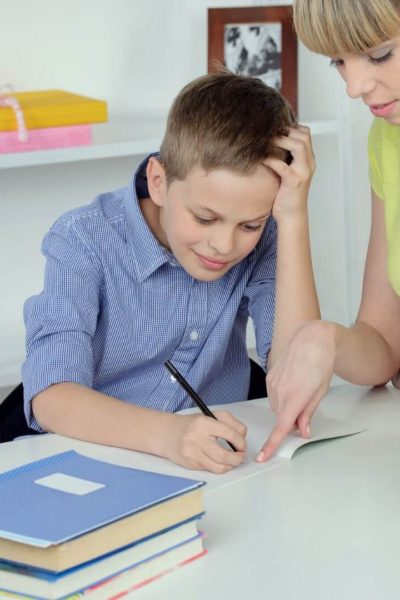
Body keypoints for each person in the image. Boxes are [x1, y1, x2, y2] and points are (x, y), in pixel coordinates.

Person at [22, 71, 317, 472]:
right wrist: (169, 435)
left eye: (250, 224)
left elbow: (297, 372)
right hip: (94, 458)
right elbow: (51, 396)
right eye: (205, 217)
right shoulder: (83, 240)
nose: (225, 245)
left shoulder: (267, 237)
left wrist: (293, 217)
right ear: (158, 181)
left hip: (212, 471)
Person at [258, 0, 400, 462]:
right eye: (340, 61)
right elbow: (384, 348)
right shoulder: (387, 140)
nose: (355, 87)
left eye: (381, 55)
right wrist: (326, 338)